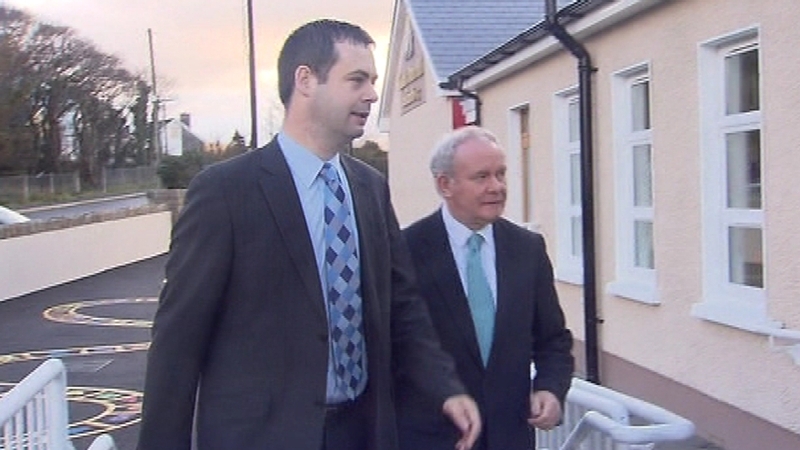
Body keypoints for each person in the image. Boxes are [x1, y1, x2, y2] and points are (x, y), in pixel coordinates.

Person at [136, 19, 481, 450]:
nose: (372, 94)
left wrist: (445, 386)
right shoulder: (225, 192)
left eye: (373, 80)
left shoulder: (370, 188)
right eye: (356, 79)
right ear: (305, 80)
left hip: (362, 432)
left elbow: (402, 306)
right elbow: (178, 340)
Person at [395, 126, 575, 450]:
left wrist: (550, 388)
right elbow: (396, 347)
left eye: (501, 174)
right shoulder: (405, 250)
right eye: (481, 177)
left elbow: (553, 340)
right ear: (444, 184)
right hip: (434, 438)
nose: (497, 187)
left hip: (511, 437)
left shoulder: (527, 248)